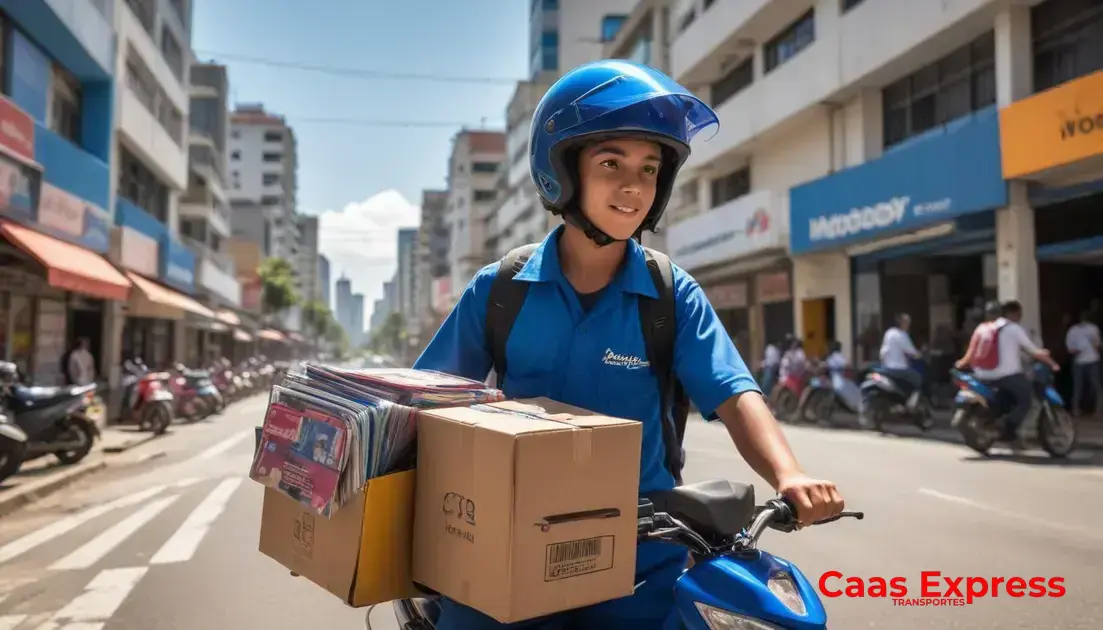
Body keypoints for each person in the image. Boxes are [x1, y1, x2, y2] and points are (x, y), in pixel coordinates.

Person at [413, 60, 844, 630]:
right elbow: (425, 403)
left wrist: (788, 474)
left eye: (649, 168)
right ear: (561, 172)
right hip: (509, 542)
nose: (633, 186)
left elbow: (735, 393)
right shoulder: (500, 288)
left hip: (642, 556)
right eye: (610, 163)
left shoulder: (671, 295)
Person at [956, 300, 1060, 445]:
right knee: (1026, 400)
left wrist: (960, 363)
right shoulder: (1013, 328)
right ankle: (1006, 425)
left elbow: (970, 353)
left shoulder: (981, 328)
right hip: (1007, 376)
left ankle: (1000, 422)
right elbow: (1034, 351)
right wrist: (1052, 363)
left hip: (982, 376)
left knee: (1007, 396)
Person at [878, 313, 923, 406]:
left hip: (886, 368)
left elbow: (883, 351)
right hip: (899, 368)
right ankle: (910, 403)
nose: (908, 325)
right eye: (907, 322)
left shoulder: (889, 333)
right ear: (902, 323)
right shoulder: (902, 335)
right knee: (918, 379)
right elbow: (911, 351)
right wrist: (919, 355)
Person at [1065, 310, 1101, 417]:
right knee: (1078, 387)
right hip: (1079, 361)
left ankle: (1098, 410)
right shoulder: (1073, 330)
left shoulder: (1093, 328)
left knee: (1095, 386)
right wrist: (1076, 351)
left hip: (1092, 360)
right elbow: (1070, 348)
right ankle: (1077, 409)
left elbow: (1097, 344)